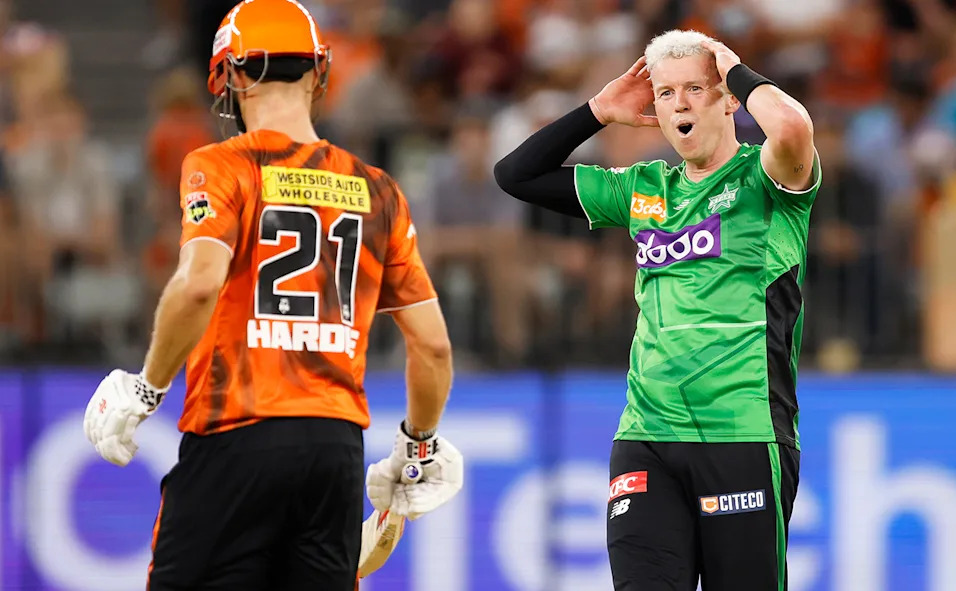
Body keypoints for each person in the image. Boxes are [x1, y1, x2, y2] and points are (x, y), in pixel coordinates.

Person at [82, 1, 463, 589]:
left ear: (230, 76)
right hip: (335, 450)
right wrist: (419, 447)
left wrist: (146, 387)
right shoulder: (379, 189)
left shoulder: (221, 165)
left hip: (235, 435)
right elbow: (432, 346)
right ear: (319, 72)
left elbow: (199, 283)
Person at [495, 29, 819, 591]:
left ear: (729, 99)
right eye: (666, 93)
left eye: (695, 88)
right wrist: (597, 112)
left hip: (742, 434)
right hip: (646, 435)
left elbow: (792, 127)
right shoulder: (645, 188)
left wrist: (737, 71)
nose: (680, 104)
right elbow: (515, 176)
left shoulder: (767, 178)